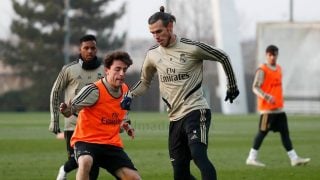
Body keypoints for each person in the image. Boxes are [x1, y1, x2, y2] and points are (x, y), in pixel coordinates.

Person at [121, 6, 239, 180]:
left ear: (170, 27)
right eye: (152, 33)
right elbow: (144, 82)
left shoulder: (191, 48)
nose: (156, 36)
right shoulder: (153, 54)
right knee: (180, 174)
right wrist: (130, 94)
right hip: (174, 118)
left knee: (199, 155)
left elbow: (222, 56)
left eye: (159, 31)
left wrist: (232, 85)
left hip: (196, 110)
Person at [60, 50, 141, 180]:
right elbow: (70, 110)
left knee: (134, 178)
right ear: (107, 70)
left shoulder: (126, 91)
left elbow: (123, 114)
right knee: (85, 161)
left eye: (124, 70)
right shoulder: (93, 90)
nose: (121, 74)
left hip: (111, 144)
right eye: (117, 69)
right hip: (86, 141)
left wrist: (126, 125)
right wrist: (65, 109)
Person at [245, 45, 311, 167]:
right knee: (262, 133)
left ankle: (294, 158)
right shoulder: (262, 70)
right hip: (267, 111)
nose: (273, 57)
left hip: (279, 110)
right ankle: (251, 158)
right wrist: (266, 96)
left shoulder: (279, 68)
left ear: (277, 55)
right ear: (267, 55)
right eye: (270, 55)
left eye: (275, 54)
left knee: (285, 134)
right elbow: (255, 87)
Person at [49, 34, 103, 180]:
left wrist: (122, 121)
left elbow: (116, 96)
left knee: (93, 166)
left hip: (96, 126)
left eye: (93, 48)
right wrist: (54, 120)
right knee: (78, 161)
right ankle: (64, 169)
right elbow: (55, 92)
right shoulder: (69, 69)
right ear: (80, 49)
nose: (90, 51)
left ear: (96, 49)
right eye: (86, 48)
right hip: (73, 125)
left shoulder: (106, 70)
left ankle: (65, 169)